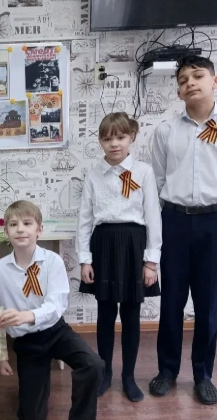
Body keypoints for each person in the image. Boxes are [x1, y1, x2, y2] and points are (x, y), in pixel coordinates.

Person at [150, 55, 217, 405]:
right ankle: (167, 370)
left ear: (215, 81)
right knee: (172, 300)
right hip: (175, 221)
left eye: (198, 76)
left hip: (215, 222)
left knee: (207, 302)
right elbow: (159, 180)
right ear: (178, 92)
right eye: (183, 80)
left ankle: (203, 374)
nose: (190, 82)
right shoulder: (165, 131)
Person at [0, 200, 104, 420]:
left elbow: (56, 305)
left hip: (56, 332)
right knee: (31, 414)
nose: (20, 229)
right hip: (26, 342)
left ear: (39, 229)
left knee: (93, 365)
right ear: (6, 232)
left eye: (27, 223)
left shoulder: (52, 261)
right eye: (13, 225)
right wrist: (1, 357)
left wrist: (27, 316)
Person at [76, 112, 161, 402]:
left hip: (134, 246)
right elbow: (85, 219)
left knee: (131, 315)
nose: (114, 144)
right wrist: (85, 259)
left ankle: (128, 377)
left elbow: (153, 218)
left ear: (131, 137)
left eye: (120, 137)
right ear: (100, 141)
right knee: (105, 313)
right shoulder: (93, 175)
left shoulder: (144, 172)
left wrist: (151, 262)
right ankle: (105, 373)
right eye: (107, 138)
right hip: (103, 245)